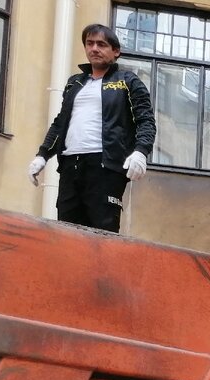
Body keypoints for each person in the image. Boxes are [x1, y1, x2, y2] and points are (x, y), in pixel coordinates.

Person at [28, 24, 156, 233]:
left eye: (101, 44)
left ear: (116, 51)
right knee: (67, 231)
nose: (94, 48)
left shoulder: (127, 81)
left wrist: (141, 152)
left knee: (102, 232)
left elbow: (146, 121)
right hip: (70, 165)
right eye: (90, 43)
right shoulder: (74, 83)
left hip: (106, 166)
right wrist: (42, 155)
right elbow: (60, 123)